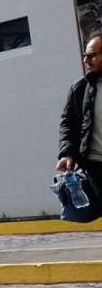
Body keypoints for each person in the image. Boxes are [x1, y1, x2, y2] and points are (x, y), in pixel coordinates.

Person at [58, 32, 102, 196]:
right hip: (96, 168)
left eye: (92, 56)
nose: (86, 61)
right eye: (85, 56)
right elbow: (68, 124)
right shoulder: (80, 89)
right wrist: (67, 153)